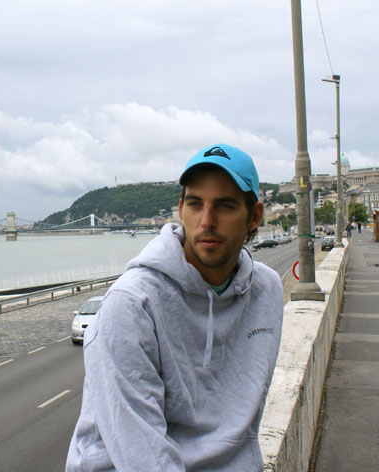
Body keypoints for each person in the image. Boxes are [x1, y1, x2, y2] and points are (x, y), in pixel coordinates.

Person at [67, 143, 284, 471]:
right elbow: (142, 456)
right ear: (181, 209)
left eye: (224, 206)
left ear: (254, 216)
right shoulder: (131, 304)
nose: (207, 221)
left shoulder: (266, 289)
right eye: (195, 204)